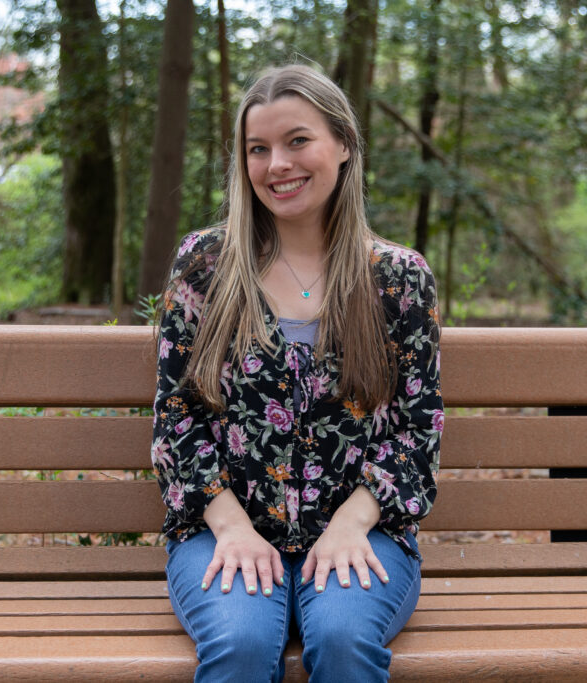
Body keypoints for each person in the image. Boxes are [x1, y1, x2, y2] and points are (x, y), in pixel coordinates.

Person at [151, 64, 443, 682]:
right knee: (240, 641)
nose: (277, 163)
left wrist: (352, 522)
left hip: (365, 530)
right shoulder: (205, 265)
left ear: (343, 145)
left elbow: (420, 432)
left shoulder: (396, 278)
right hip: (222, 528)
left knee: (341, 636)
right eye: (258, 149)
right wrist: (229, 526)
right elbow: (177, 419)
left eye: (297, 141)